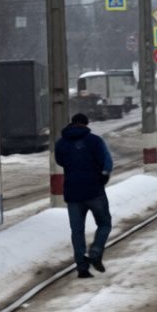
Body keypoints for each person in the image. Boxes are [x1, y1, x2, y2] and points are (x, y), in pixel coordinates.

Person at [54, 113, 113, 279]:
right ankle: (95, 252)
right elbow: (107, 162)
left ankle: (82, 267)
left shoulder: (61, 143)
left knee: (77, 230)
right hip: (94, 190)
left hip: (73, 192)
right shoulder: (95, 141)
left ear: (72, 124)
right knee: (104, 224)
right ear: (86, 124)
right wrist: (104, 174)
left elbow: (60, 161)